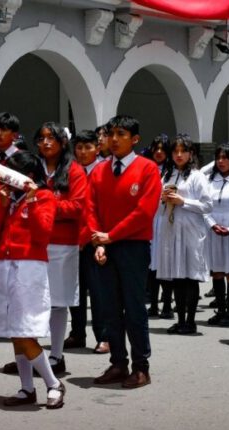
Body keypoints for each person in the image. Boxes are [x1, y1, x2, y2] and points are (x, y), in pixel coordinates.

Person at [0, 150, 64, 408]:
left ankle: (53, 383)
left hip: (29, 268)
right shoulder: (10, 200)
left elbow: (43, 234)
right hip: (5, 265)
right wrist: (2, 204)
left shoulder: (44, 196)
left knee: (25, 331)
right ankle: (26, 388)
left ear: (27, 176)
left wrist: (32, 200)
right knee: (14, 332)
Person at [86, 115, 161, 388]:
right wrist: (99, 241)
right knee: (109, 307)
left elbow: (144, 212)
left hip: (133, 245)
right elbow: (90, 207)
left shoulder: (148, 169)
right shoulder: (99, 170)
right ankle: (118, 362)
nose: (114, 139)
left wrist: (111, 235)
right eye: (110, 134)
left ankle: (141, 366)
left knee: (134, 307)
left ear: (135, 139)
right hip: (104, 246)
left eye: (121, 134)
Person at [36, 122, 85, 367]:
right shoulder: (34, 169)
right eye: (41, 138)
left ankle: (56, 355)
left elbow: (77, 206)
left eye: (51, 138)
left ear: (62, 143)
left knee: (57, 301)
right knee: (33, 300)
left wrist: (45, 205)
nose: (45, 143)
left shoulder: (74, 171)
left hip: (62, 245)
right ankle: (29, 355)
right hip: (33, 244)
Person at [156, 134, 212, 335]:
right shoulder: (167, 175)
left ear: (191, 154)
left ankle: (191, 320)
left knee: (190, 277)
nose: (179, 155)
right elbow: (156, 205)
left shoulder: (197, 176)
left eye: (183, 151)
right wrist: (163, 199)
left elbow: (207, 205)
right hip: (171, 229)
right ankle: (180, 319)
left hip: (190, 229)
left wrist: (183, 201)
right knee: (177, 277)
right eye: (175, 151)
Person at [67, 130, 108, 353]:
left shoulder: (103, 171)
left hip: (95, 238)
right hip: (71, 239)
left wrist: (95, 237)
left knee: (99, 290)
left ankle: (104, 336)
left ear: (97, 148)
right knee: (75, 290)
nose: (83, 152)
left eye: (88, 147)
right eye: (79, 148)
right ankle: (77, 333)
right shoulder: (71, 171)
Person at [204, 143, 229, 328]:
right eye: (218, 157)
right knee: (217, 270)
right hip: (214, 227)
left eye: (225, 157)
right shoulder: (210, 180)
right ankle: (220, 310)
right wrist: (212, 224)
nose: (221, 161)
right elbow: (204, 206)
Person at [146, 134, 175, 320]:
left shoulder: (172, 171)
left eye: (162, 149)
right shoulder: (147, 168)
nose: (158, 153)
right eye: (156, 149)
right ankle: (153, 303)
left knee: (166, 262)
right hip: (150, 219)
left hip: (165, 219)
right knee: (152, 264)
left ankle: (166, 304)